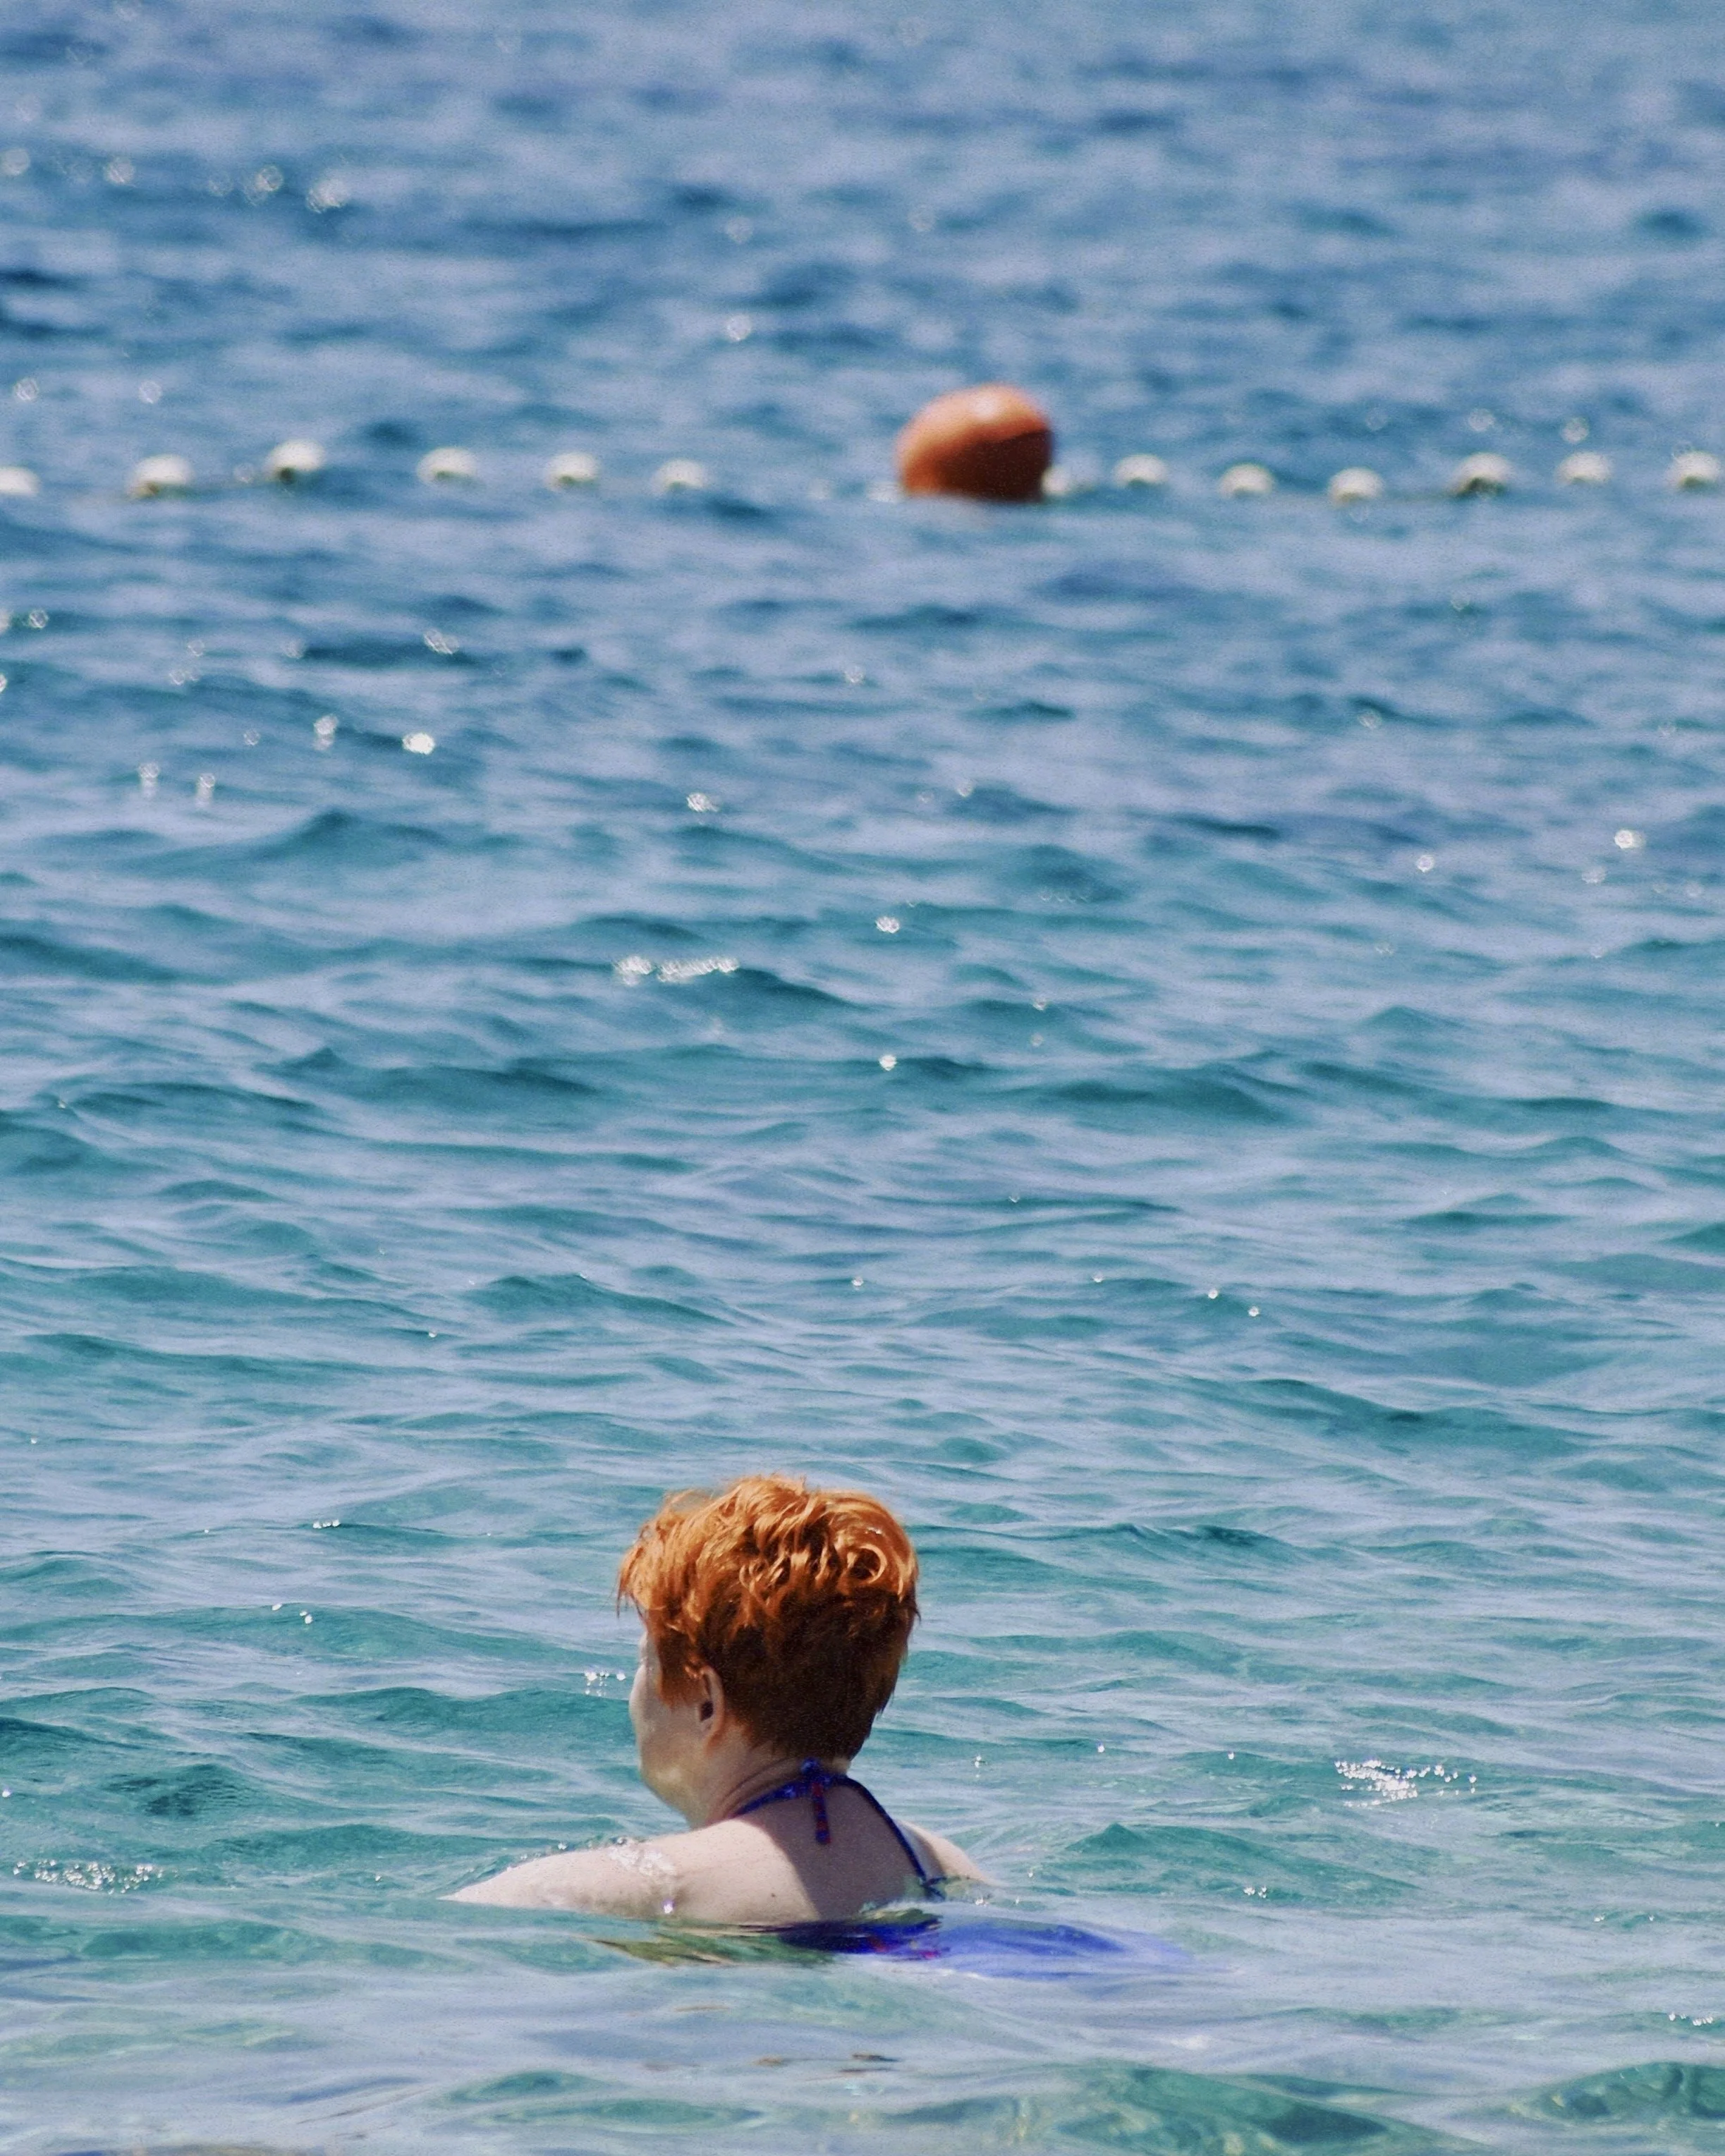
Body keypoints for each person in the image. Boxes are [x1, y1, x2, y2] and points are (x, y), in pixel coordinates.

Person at [452, 1475, 982, 1925]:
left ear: (707, 1700)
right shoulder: (945, 1866)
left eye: (646, 1661)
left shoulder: (613, 1889)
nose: (635, 1691)